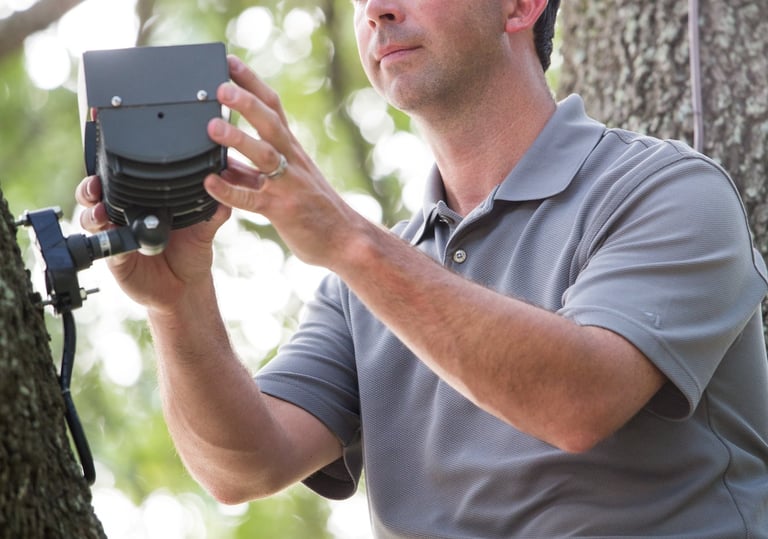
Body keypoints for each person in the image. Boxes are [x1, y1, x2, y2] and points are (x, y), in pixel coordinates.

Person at [76, 0, 768, 537]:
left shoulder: (669, 190)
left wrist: (351, 241)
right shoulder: (364, 285)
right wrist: (179, 302)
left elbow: (576, 402)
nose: (375, 8)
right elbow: (242, 464)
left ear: (520, 6)